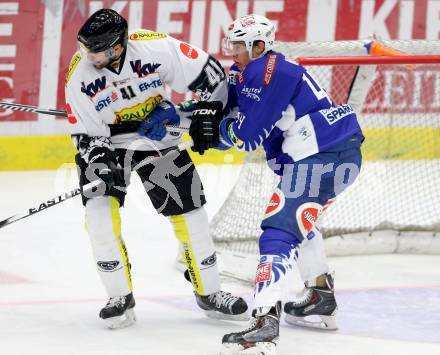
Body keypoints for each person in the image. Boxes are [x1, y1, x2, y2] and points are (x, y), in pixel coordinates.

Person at [188, 14, 363, 355]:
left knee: (279, 231)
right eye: (232, 43)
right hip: (329, 153)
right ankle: (320, 296)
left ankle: (264, 323)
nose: (233, 50)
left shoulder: (269, 70)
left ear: (259, 45)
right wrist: (197, 116)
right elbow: (230, 113)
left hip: (324, 154)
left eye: (240, 44)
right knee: (301, 224)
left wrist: (213, 130)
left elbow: (246, 136)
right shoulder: (248, 71)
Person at [65, 8, 248, 329]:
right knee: (99, 217)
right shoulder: (79, 74)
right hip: (108, 142)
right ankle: (119, 297)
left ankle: (210, 293)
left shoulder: (155, 48)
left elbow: (213, 76)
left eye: (94, 51)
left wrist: (203, 111)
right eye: (84, 49)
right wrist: (99, 161)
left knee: (192, 213)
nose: (86, 56)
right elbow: (85, 134)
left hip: (157, 135)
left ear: (117, 47)